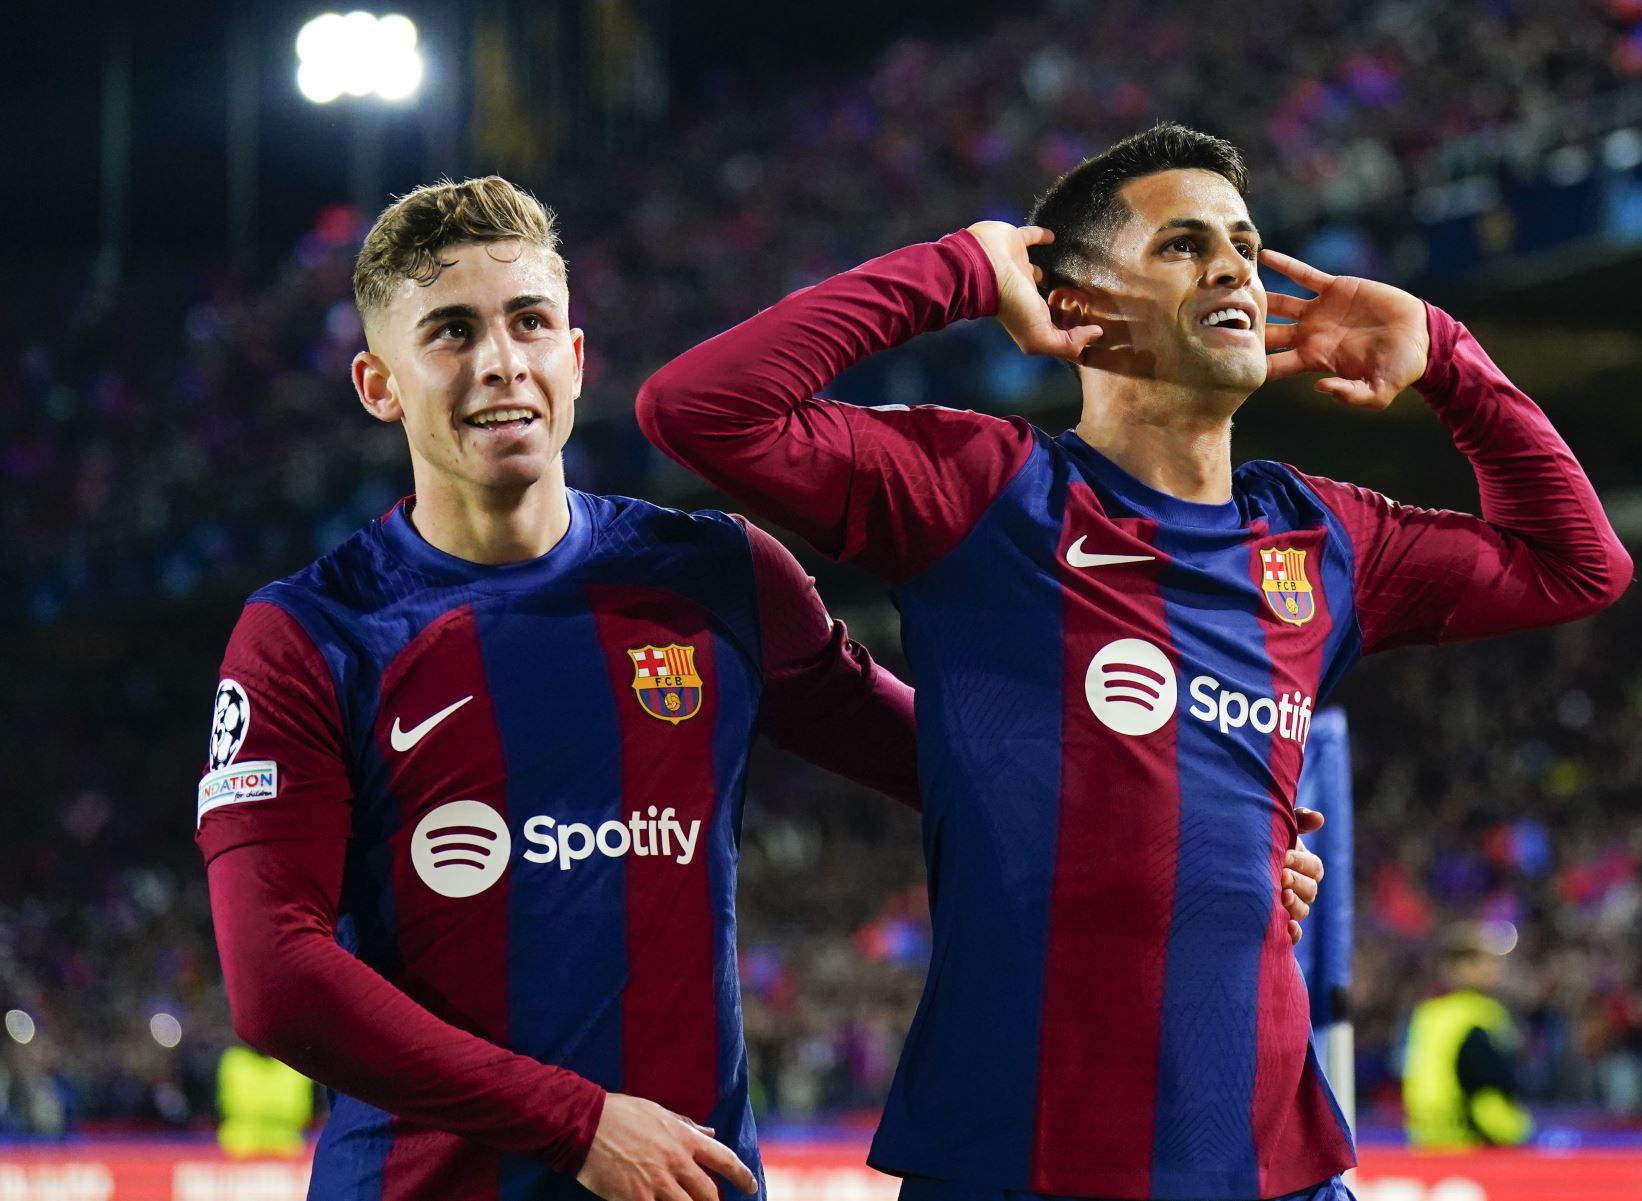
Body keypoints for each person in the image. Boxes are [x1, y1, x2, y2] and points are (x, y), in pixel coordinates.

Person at [195, 175, 1329, 1201]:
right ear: (379, 384)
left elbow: (967, 765)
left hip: (692, 1185)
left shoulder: (714, 575)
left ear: (577, 359)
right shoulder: (308, 634)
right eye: (452, 333)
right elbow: (279, 982)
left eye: (530, 323)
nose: (503, 362)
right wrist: (578, 1124)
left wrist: (1209, 837)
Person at [637, 122, 1633, 1201]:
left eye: (1246, 245)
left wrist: (1446, 357)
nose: (1234, 270)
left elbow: (1575, 566)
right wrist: (961, 270)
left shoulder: (1322, 538)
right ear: (1071, 303)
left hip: (1275, 1171)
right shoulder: (984, 495)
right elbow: (698, 408)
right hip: (1021, 1162)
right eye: (1183, 245)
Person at [1401, 922, 1532, 1149]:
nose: (1492, 967)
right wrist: (1520, 1137)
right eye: (1483, 960)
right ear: (1459, 966)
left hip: (1429, 1146)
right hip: (1474, 1148)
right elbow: (1487, 1096)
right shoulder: (1480, 1019)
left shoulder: (1428, 1014)